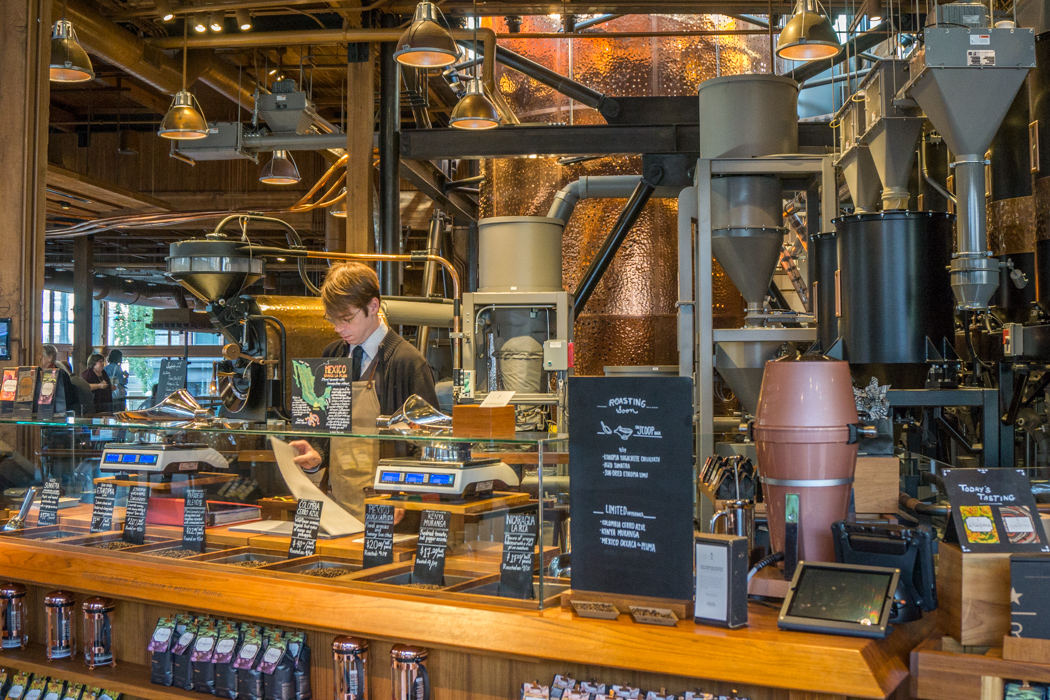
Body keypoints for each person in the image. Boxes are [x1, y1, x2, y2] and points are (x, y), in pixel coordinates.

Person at [289, 262, 438, 521]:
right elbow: (329, 430)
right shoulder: (332, 355)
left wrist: (404, 494)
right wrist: (317, 455)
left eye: (347, 319)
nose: (339, 328)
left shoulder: (408, 363)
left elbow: (427, 446)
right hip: (338, 500)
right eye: (332, 320)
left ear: (373, 307)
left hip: (390, 509)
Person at [39, 344, 79, 415]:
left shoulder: (60, 374)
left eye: (41, 356)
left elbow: (66, 398)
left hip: (58, 413)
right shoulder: (38, 373)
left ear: (50, 358)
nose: (38, 359)